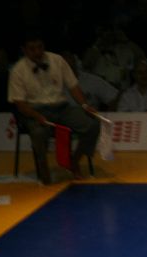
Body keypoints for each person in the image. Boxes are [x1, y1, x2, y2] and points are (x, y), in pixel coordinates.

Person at [7, 33, 100, 185]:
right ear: (24, 50)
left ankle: (74, 161)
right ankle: (44, 173)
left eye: (40, 47)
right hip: (34, 111)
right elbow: (20, 104)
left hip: (61, 108)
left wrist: (84, 105)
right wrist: (37, 116)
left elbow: (73, 86)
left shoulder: (57, 60)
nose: (37, 52)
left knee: (92, 124)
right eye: (32, 49)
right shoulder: (18, 70)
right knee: (38, 133)